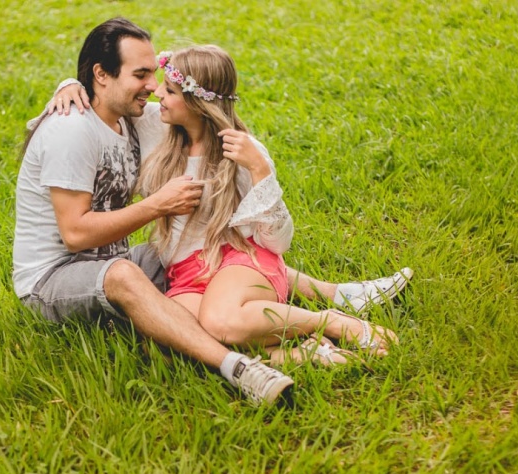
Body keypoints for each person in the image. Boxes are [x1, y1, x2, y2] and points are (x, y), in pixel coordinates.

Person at [13, 18, 295, 406]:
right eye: (142, 74)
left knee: (199, 250)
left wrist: (257, 164)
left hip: (113, 260)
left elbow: (200, 108)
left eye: (155, 75)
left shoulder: (129, 117)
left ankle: (336, 295)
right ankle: (240, 369)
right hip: (50, 281)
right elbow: (75, 235)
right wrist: (157, 204)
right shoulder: (70, 131)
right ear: (101, 74)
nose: (153, 86)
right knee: (127, 275)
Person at [137, 45, 397, 365]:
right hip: (185, 273)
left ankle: (330, 322)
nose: (157, 93)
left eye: (171, 89)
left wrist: (259, 170)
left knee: (221, 322)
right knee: (168, 346)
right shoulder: (154, 127)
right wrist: (70, 87)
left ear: (199, 101)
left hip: (239, 259)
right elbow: (102, 105)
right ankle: (297, 354)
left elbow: (278, 241)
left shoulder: (244, 152)